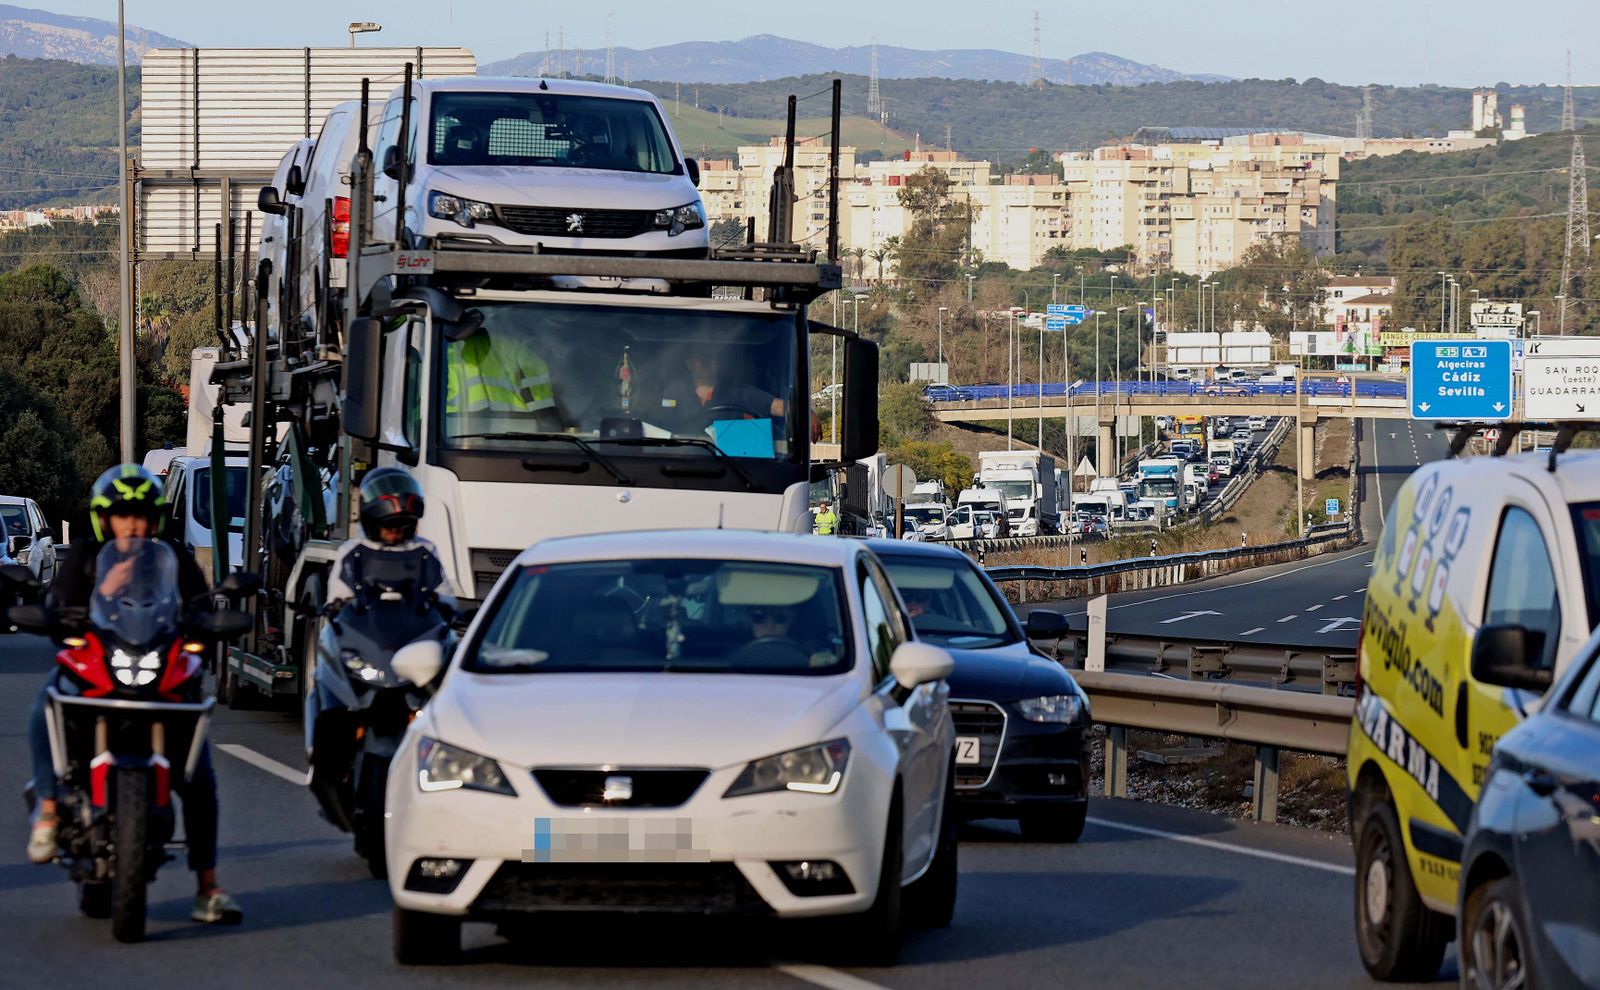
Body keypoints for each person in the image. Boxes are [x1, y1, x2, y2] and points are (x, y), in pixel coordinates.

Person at [27, 464, 242, 924]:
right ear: (104, 519)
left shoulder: (175, 557)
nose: (133, 525)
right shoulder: (86, 555)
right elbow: (57, 607)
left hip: (159, 671)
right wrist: (89, 596)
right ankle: (48, 809)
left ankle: (209, 886)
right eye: (123, 516)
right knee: (44, 705)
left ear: (156, 518)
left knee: (200, 777)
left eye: (142, 516)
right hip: (97, 670)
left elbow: (201, 609)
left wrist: (210, 626)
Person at [325, 466, 456, 613]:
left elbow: (445, 596)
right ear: (372, 523)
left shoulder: (423, 549)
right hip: (363, 630)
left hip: (416, 630)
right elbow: (338, 600)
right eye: (388, 525)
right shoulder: (352, 551)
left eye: (402, 525)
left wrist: (440, 603)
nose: (395, 531)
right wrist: (337, 606)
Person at [658, 350, 822, 443]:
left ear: (718, 362)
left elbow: (777, 406)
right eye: (699, 355)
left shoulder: (738, 392)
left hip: (733, 468)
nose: (705, 361)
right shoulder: (672, 393)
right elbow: (648, 418)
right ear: (689, 363)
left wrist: (808, 414)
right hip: (679, 462)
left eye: (709, 356)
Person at [442, 329, 562, 435]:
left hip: (454, 446)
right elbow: (546, 418)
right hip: (516, 447)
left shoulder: (434, 347)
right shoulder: (511, 346)